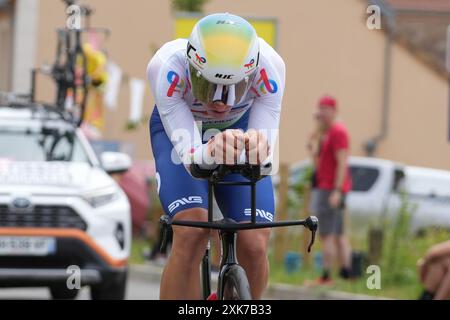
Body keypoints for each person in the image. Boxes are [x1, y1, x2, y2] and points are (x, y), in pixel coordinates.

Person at [147, 13, 285, 299]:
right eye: (207, 86)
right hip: (184, 131)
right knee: (191, 230)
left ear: (252, 73)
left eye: (237, 87)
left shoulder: (271, 67)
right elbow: (193, 160)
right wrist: (210, 150)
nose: (222, 102)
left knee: (255, 241)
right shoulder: (166, 67)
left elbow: (265, 160)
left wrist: (259, 151)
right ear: (192, 69)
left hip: (240, 128)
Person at [309, 95, 353, 284]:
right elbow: (319, 165)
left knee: (327, 234)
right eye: (320, 110)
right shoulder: (328, 134)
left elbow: (342, 162)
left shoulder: (338, 132)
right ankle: (347, 273)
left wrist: (336, 190)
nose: (321, 115)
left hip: (330, 190)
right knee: (339, 234)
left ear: (334, 111)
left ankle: (327, 276)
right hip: (330, 187)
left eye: (325, 110)